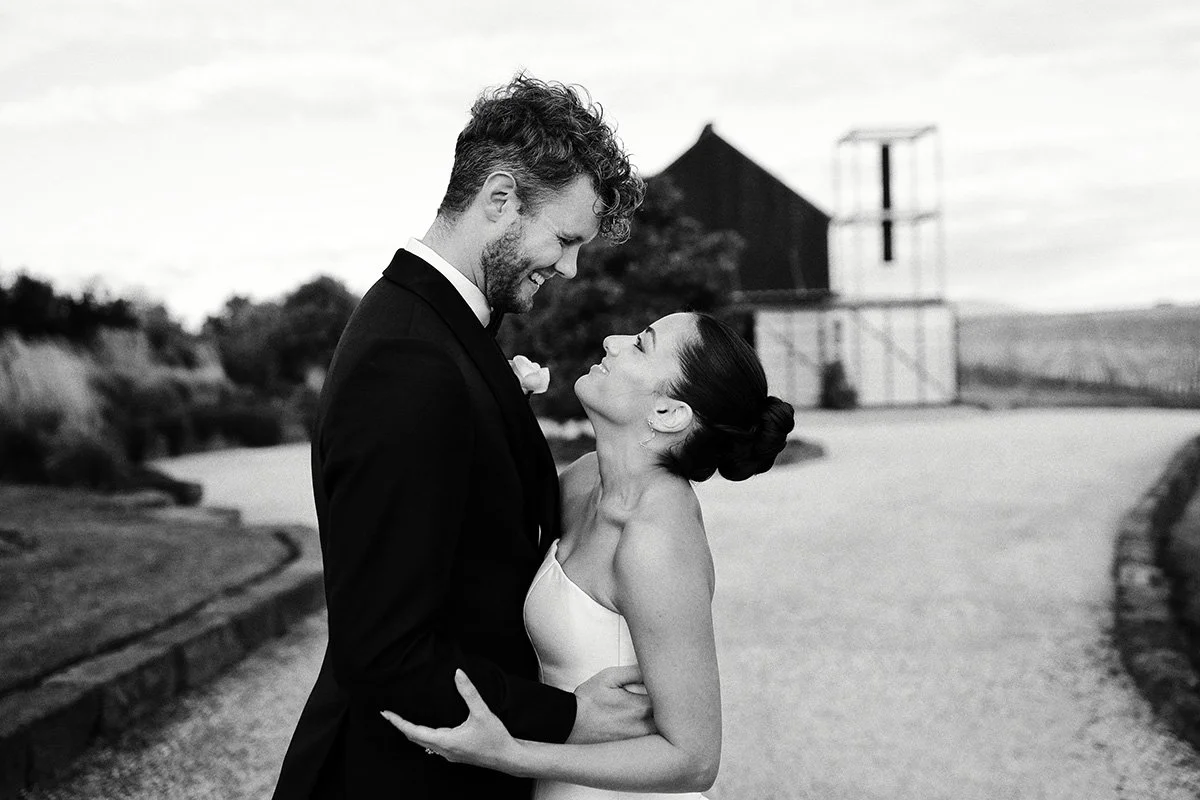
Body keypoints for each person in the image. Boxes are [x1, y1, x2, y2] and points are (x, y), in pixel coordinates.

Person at [271, 74, 648, 799]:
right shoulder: (406, 360)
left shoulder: (442, 334)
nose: (569, 268)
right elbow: (383, 651)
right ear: (499, 200)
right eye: (566, 240)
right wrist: (566, 717)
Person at [383, 311, 796, 799]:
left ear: (668, 413)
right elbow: (490, 542)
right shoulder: (584, 479)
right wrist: (494, 409)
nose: (612, 340)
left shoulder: (655, 541)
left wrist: (511, 754)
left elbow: (695, 759)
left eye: (641, 345)